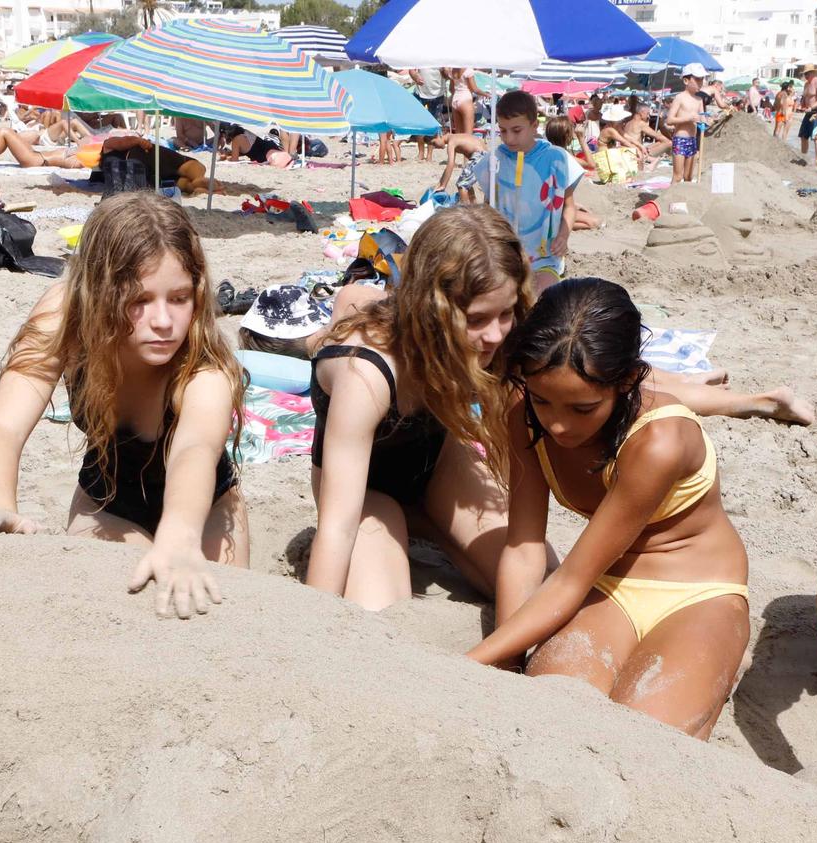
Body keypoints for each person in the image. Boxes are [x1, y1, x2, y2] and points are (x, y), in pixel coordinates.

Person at [468, 278, 750, 738]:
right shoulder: (523, 414)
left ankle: (715, 661)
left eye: (583, 408)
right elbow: (522, 546)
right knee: (552, 714)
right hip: (609, 584)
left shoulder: (660, 439)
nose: (557, 423)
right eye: (542, 400)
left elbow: (570, 578)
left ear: (627, 381)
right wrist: (504, 661)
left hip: (698, 592)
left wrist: (467, 665)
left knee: (644, 737)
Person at [0, 193, 247, 619]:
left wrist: (179, 536)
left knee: (214, 619)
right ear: (99, 292)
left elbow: (195, 448)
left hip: (207, 507)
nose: (163, 321)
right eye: (138, 300)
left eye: (179, 298)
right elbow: (3, 427)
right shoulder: (63, 317)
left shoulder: (204, 365)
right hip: (107, 500)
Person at [305, 207, 530, 612]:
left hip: (436, 466)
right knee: (379, 612)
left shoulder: (497, 338)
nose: (496, 334)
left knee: (533, 587)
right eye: (477, 319)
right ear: (432, 310)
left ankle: (426, 524)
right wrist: (312, 628)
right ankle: (413, 524)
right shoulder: (367, 375)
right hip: (361, 492)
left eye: (506, 313)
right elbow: (338, 528)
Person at [450, 90, 581, 294]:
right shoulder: (495, 160)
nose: (509, 138)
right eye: (502, 131)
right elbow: (488, 207)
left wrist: (563, 236)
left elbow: (569, 206)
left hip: (545, 256)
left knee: (541, 297)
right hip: (504, 254)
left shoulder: (556, 159)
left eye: (517, 130)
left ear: (534, 125)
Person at [663, 65, 708, 184]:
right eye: (697, 79)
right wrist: (688, 118)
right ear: (686, 80)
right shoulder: (680, 98)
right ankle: (671, 199)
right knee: (677, 176)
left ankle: (685, 199)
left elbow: (702, 118)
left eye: (702, 79)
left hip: (692, 140)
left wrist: (706, 121)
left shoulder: (699, 100)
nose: (700, 83)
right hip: (680, 139)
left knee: (688, 177)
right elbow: (669, 120)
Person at [797, 64, 817, 161]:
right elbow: (805, 97)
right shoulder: (806, 84)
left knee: (816, 138)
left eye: (807, 73)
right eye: (804, 74)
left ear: (812, 73)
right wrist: (801, 104)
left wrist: (811, 107)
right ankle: (803, 157)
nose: (805, 76)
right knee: (803, 135)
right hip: (808, 112)